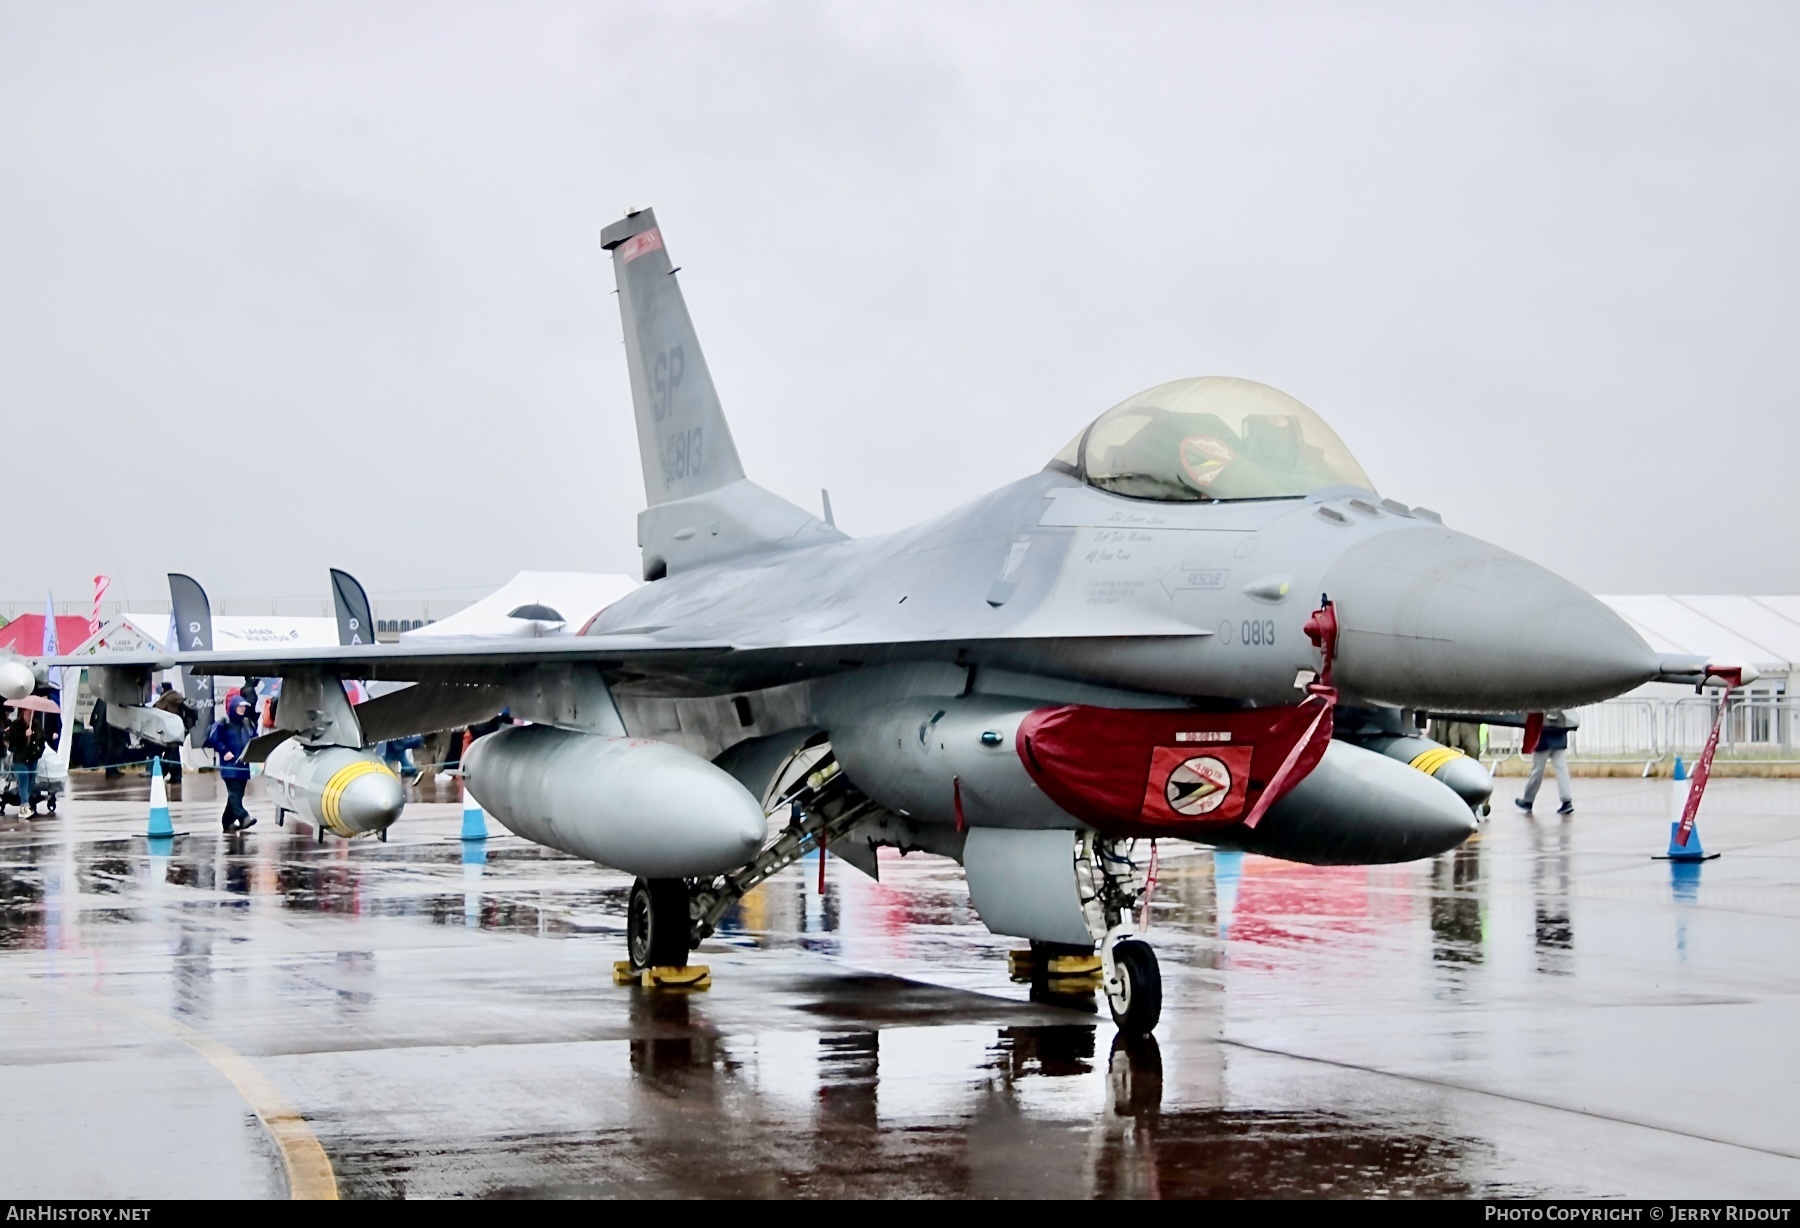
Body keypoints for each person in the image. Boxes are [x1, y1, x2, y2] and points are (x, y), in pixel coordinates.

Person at [205, 695, 257, 832]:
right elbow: (213, 739)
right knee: (234, 793)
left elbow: (255, 738)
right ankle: (244, 817)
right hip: (229, 766)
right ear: (233, 707)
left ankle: (227, 822)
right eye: (240, 707)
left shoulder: (247, 723)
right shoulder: (224, 722)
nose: (242, 709)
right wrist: (225, 751)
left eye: (244, 707)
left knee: (237, 795)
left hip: (244, 765)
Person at [1515, 713, 1574, 815]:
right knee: (1561, 769)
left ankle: (1528, 800)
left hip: (1543, 733)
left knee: (1537, 770)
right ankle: (1566, 801)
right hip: (1558, 732)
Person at [6, 710, 47, 817]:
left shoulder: (36, 725)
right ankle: (25, 804)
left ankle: (26, 803)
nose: (29, 714)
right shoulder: (16, 725)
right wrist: (24, 735)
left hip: (33, 758)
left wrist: (39, 752)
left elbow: (42, 740)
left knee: (30, 781)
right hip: (20, 758)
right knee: (23, 779)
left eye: (31, 712)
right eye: (27, 712)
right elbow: (12, 741)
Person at [152, 682, 188, 783]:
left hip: (168, 731)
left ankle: (162, 774)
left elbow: (156, 710)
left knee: (170, 755)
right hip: (178, 730)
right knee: (174, 753)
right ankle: (175, 776)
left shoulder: (165, 700)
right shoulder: (178, 698)